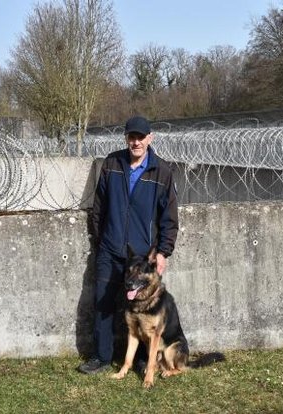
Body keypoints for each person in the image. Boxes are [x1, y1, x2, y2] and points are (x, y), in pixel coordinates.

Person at [78, 116, 179, 374]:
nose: (136, 142)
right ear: (126, 139)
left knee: (146, 308)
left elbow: (169, 217)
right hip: (110, 250)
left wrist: (163, 252)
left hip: (141, 256)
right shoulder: (112, 163)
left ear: (149, 139)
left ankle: (146, 360)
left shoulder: (161, 171)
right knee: (103, 303)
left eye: (141, 137)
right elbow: (98, 206)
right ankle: (101, 357)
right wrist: (101, 240)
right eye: (131, 137)